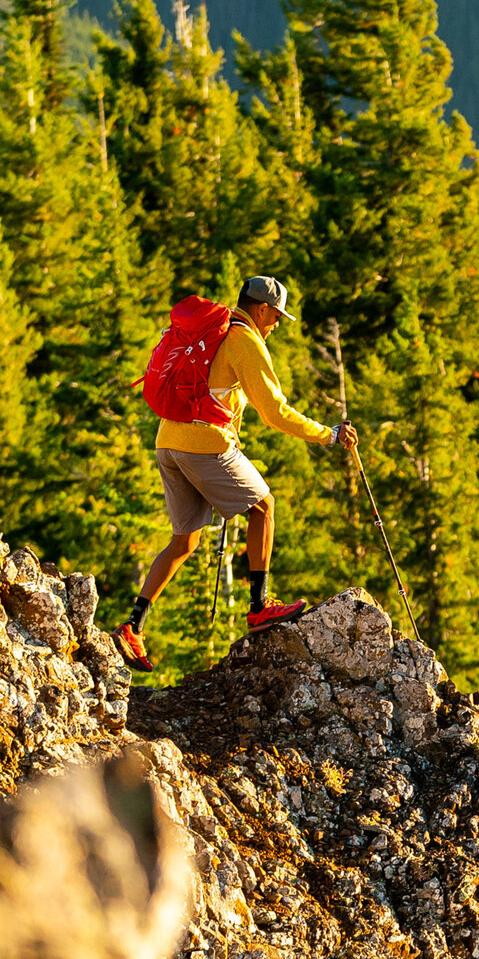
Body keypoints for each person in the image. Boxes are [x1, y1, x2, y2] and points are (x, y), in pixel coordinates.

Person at [114, 274, 357, 665]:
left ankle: (132, 627)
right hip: (203, 444)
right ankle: (259, 606)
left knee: (184, 542)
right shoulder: (244, 341)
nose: (276, 324)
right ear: (261, 309)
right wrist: (327, 436)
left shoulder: (210, 330)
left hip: (167, 442)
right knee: (264, 507)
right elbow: (275, 412)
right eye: (276, 316)